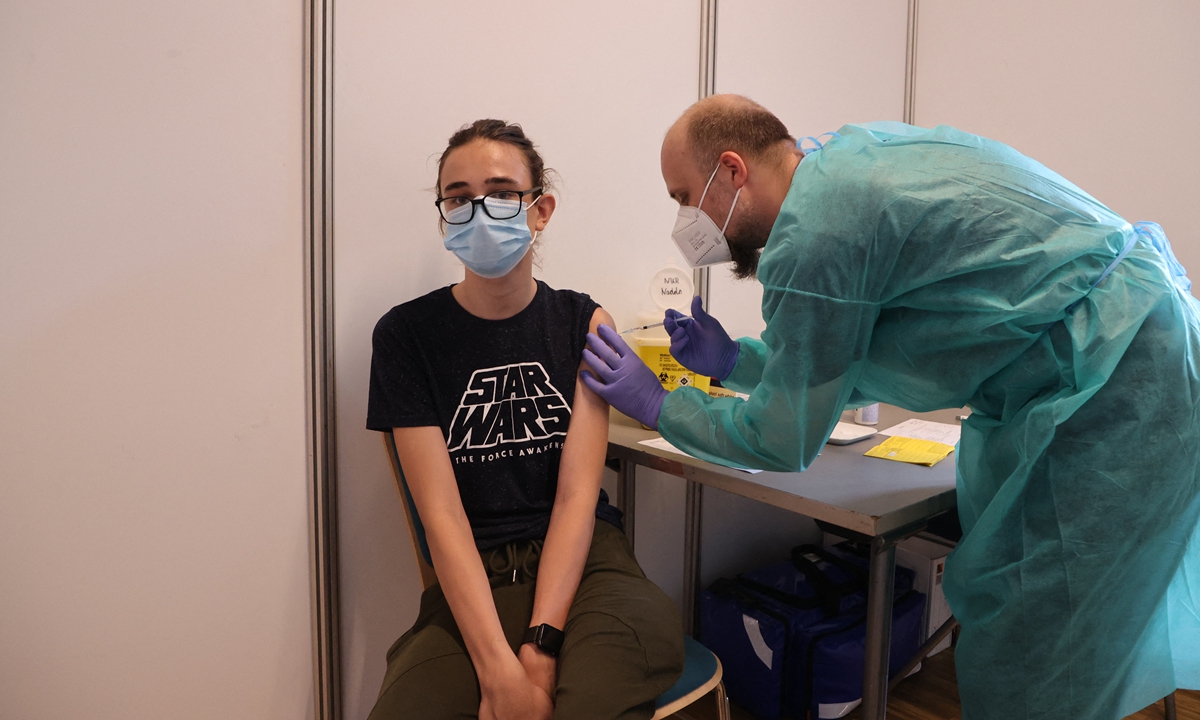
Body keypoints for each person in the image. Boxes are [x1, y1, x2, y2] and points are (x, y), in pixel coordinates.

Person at [581, 94, 1200, 719]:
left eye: (684, 196)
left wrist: (659, 404)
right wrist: (736, 363)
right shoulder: (839, 164)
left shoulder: (815, 235)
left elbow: (782, 439)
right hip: (1126, 342)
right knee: (1043, 613)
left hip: (1115, 376)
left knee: (1045, 628)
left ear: (733, 171)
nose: (686, 221)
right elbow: (845, 356)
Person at [366, 119, 684, 720]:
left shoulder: (584, 324)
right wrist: (499, 674)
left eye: (502, 191)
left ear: (541, 210)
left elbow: (575, 499)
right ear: (443, 215)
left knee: (593, 701)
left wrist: (540, 648)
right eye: (458, 196)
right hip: (472, 586)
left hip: (588, 569)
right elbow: (441, 516)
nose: (479, 209)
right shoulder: (406, 336)